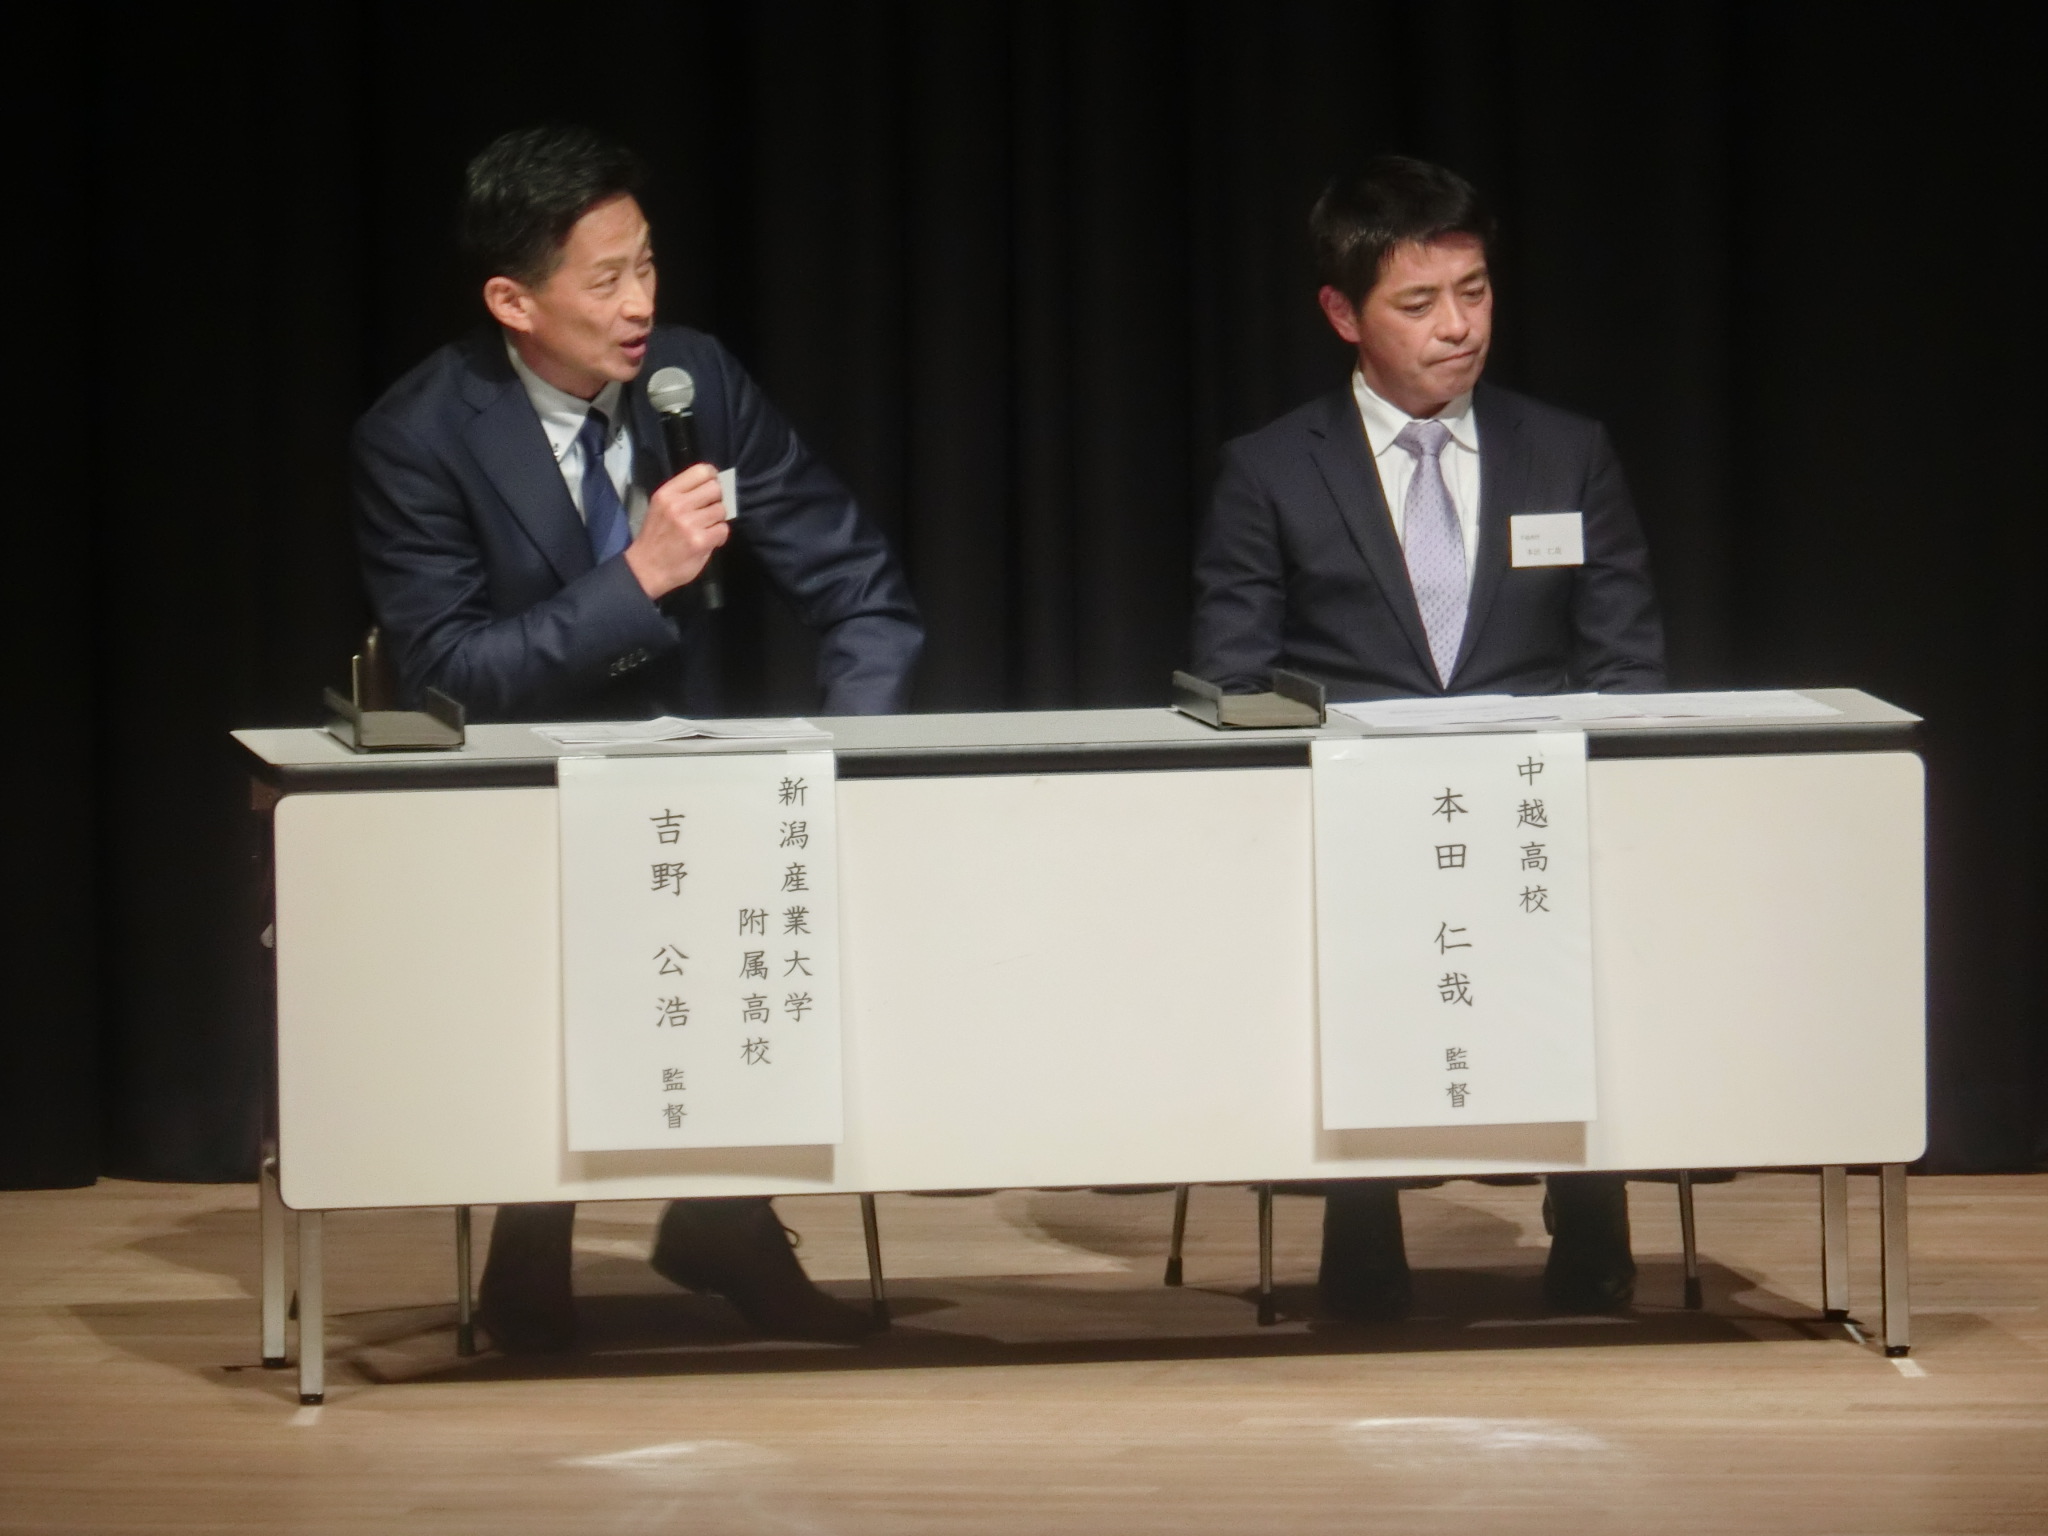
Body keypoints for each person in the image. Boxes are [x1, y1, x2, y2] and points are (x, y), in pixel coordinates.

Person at [352, 125, 923, 1352]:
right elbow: (449, 673)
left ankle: (725, 1220)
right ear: (513, 302)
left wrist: (850, 761)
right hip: (510, 801)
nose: (638, 305)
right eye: (604, 279)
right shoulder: (420, 435)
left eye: (647, 265)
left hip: (694, 786)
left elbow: (859, 586)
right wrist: (638, 577)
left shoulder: (692, 382)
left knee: (787, 874)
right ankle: (536, 1235)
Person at [1188, 155, 1665, 1319]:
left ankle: (1589, 1212)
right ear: (1342, 314)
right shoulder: (1270, 470)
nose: (1458, 327)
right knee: (1350, 945)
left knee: (1578, 934)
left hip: (1536, 808)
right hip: (1352, 818)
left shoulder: (1565, 452)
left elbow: (1623, 664)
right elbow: (1231, 676)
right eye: (1419, 302)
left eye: (1474, 291)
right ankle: (1360, 1225)